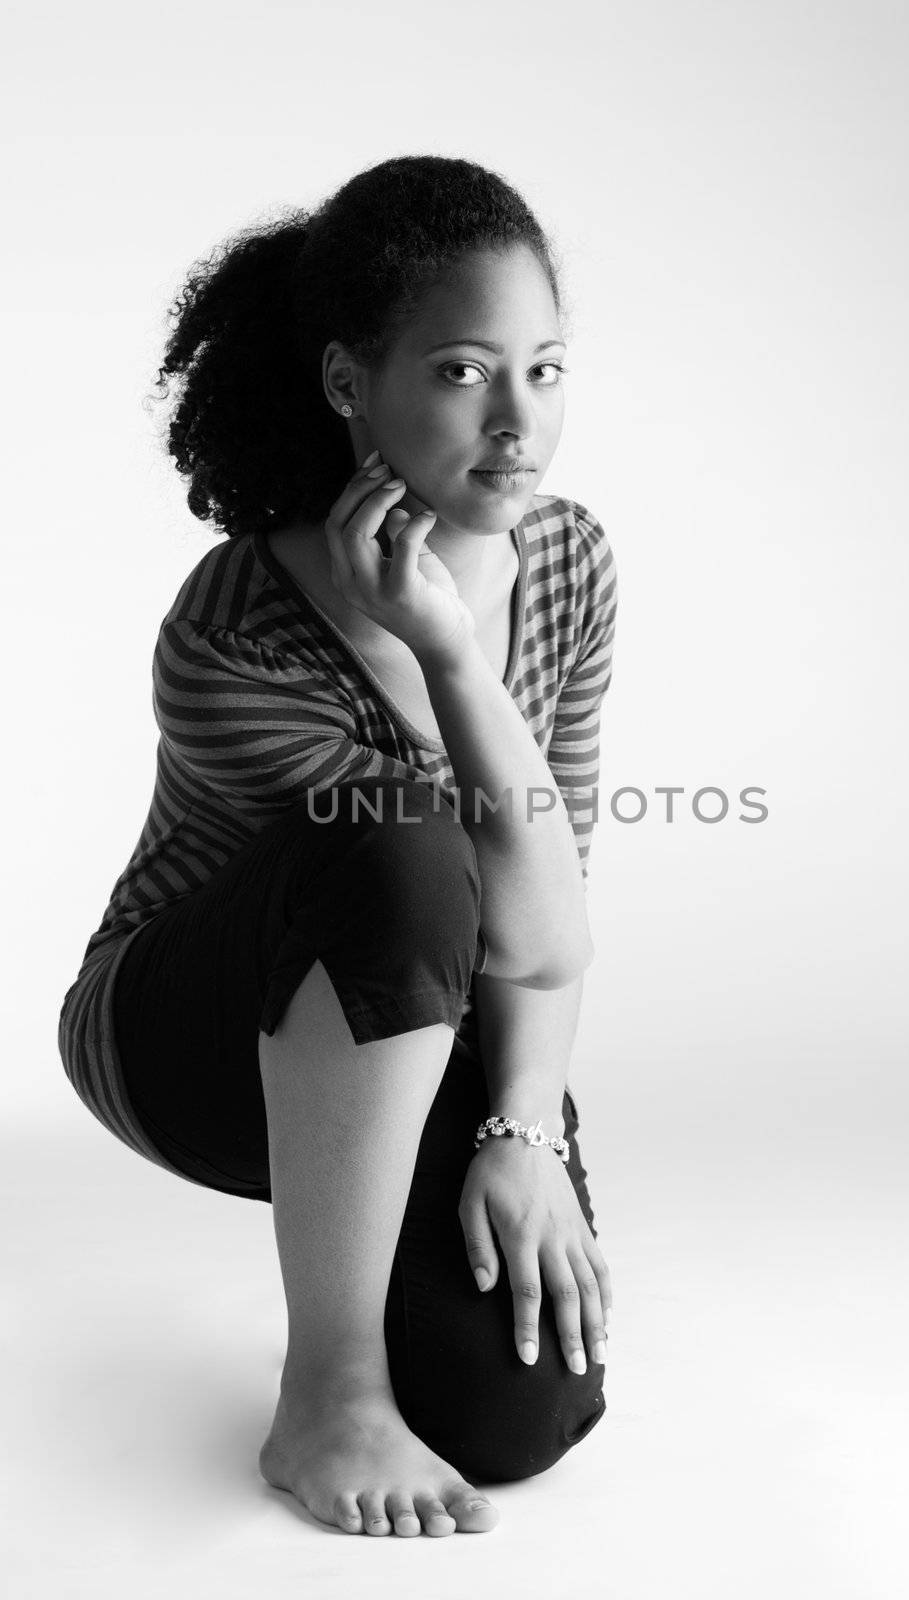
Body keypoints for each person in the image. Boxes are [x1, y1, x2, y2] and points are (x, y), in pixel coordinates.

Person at [56, 153, 619, 1539]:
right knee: (403, 836)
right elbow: (435, 886)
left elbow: (550, 920)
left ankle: (392, 1333)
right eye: (465, 371)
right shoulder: (237, 629)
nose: (517, 424)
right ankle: (328, 1389)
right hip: (192, 1036)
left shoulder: (570, 563)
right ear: (348, 384)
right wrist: (435, 650)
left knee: (518, 1419)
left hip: (433, 1014)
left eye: (545, 371)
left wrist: (523, 1120)